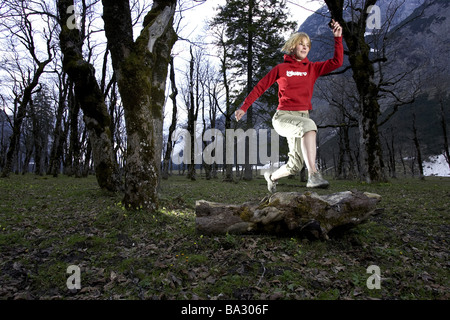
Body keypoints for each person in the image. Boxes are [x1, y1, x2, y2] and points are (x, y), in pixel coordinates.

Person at [235, 20, 343, 192]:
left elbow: (337, 62)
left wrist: (338, 38)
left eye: (307, 45)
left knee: (295, 165)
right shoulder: (281, 68)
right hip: (284, 117)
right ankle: (313, 175)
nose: (305, 47)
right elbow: (260, 86)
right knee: (310, 126)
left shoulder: (312, 69)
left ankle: (271, 177)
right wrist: (244, 107)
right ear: (292, 46)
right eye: (301, 43)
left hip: (302, 118)